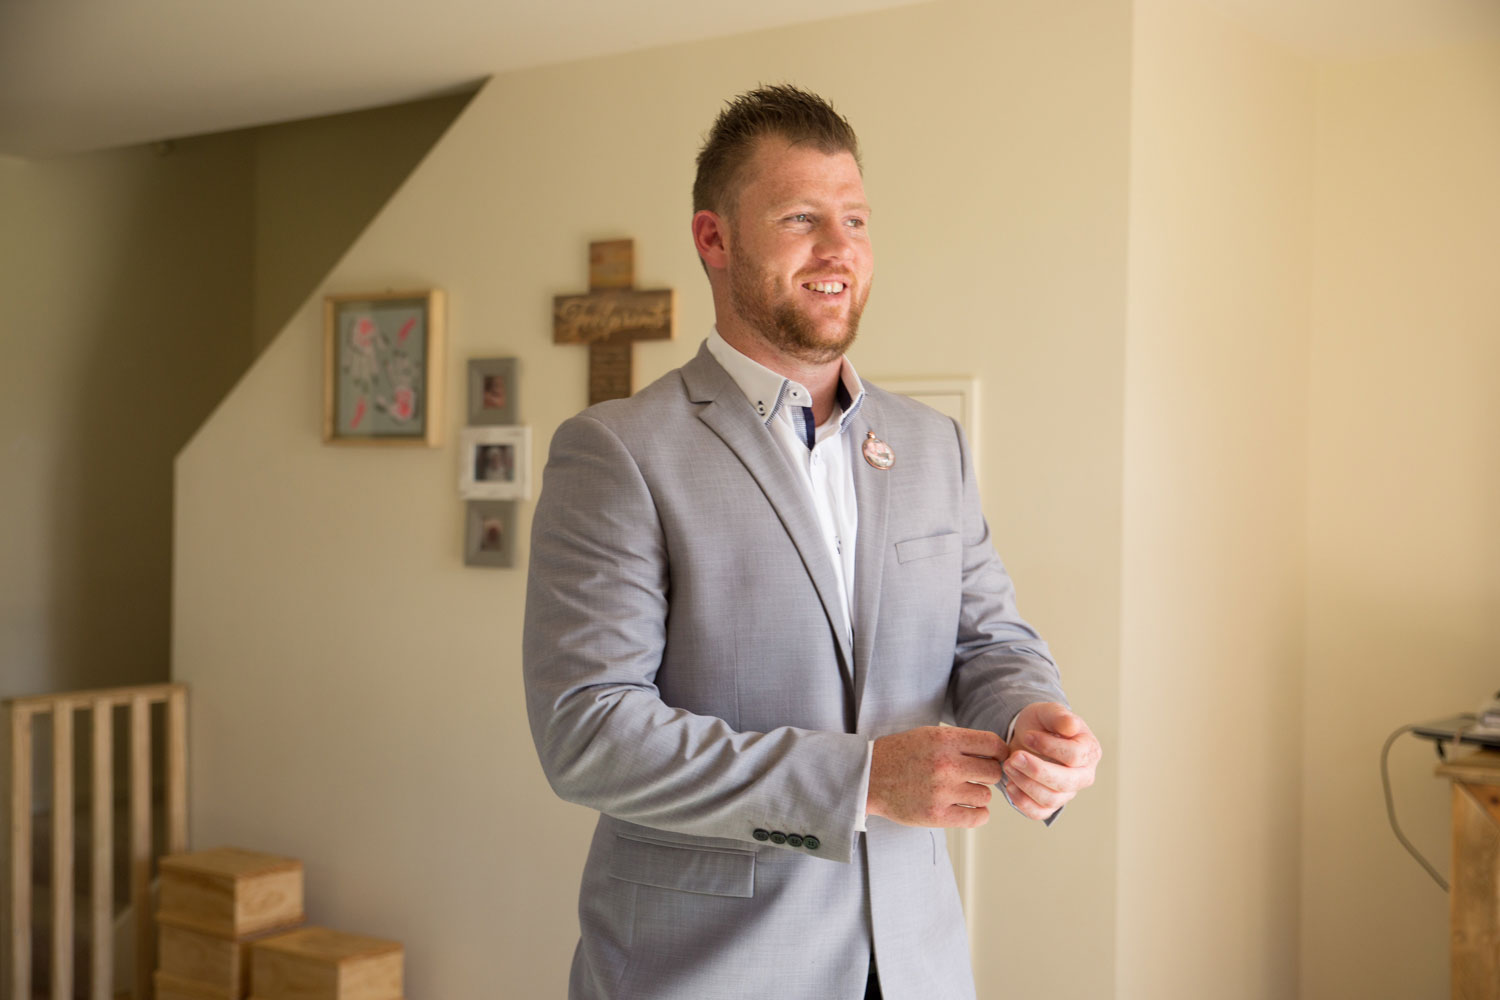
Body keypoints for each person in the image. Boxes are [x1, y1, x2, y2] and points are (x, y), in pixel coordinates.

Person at [523, 84, 1100, 1000]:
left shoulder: (931, 444)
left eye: (857, 219)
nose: (840, 250)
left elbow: (988, 642)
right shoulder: (618, 452)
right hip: (706, 970)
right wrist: (861, 779)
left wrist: (1032, 718)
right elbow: (590, 734)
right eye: (802, 217)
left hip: (916, 966)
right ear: (714, 240)